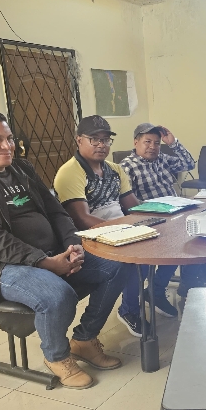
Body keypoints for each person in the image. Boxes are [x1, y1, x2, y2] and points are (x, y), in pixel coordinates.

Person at [0, 112, 130, 390]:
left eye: (9, 139)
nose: (7, 146)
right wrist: (43, 262)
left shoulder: (21, 168)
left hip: (47, 253)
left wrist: (73, 245)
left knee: (117, 264)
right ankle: (57, 356)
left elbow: (57, 212)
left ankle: (84, 340)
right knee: (57, 294)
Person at [55, 115, 146, 338]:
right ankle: (127, 311)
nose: (101, 145)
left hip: (119, 231)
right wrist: (124, 231)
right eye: (94, 139)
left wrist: (153, 218)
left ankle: (147, 298)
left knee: (159, 246)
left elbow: (132, 206)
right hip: (89, 240)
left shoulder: (115, 170)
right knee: (132, 260)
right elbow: (82, 219)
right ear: (79, 140)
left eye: (105, 140)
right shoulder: (70, 172)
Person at [120, 123, 206, 306]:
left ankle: (188, 285)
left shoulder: (162, 159)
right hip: (151, 218)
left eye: (157, 143)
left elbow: (189, 164)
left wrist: (173, 143)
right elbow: (127, 202)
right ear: (136, 142)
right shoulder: (127, 167)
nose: (152, 147)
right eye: (147, 142)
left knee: (199, 236)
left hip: (176, 212)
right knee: (179, 245)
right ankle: (157, 289)